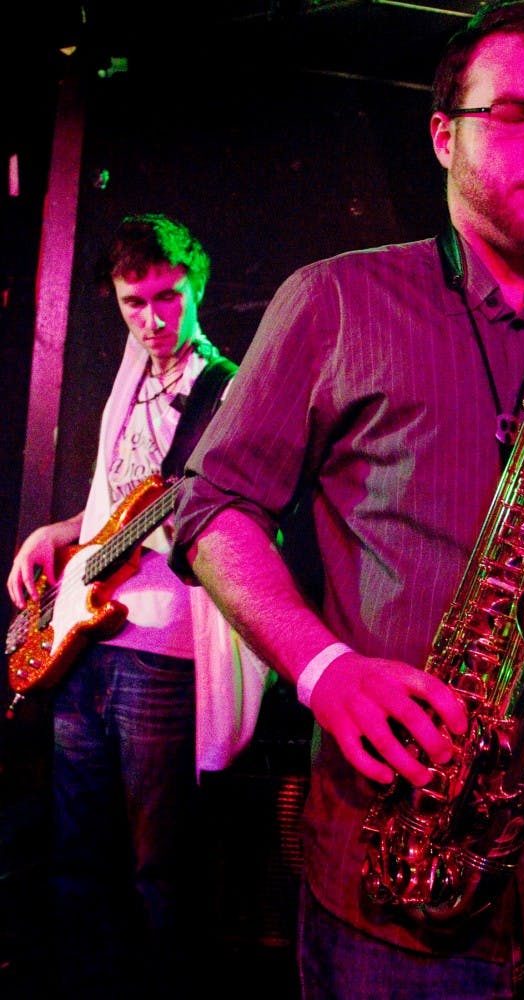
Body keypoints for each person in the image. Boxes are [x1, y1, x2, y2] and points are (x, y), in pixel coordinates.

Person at [171, 2, 524, 997]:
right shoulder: (334, 301)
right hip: (392, 881)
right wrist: (324, 669)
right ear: (443, 134)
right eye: (519, 114)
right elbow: (213, 510)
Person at [6, 213, 268, 998]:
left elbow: (231, 515)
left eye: (166, 296)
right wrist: (54, 535)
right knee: (78, 854)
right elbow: (113, 507)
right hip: (86, 642)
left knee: (162, 867)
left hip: (162, 655)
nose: (151, 320)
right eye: (132, 302)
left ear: (197, 286)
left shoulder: (226, 389)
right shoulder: (128, 379)